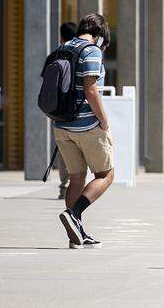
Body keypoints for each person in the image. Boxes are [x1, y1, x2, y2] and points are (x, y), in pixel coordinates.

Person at [53, 13, 115, 249]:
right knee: (105, 175)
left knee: (76, 178)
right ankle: (75, 215)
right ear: (99, 36)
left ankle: (75, 235)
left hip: (62, 125)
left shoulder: (63, 48)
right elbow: (91, 91)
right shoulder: (92, 51)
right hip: (87, 125)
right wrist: (104, 120)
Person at [56, 21, 78, 199]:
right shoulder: (84, 53)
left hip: (60, 113)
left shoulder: (56, 54)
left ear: (61, 36)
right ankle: (75, 187)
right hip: (80, 113)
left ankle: (64, 187)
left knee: (64, 152)